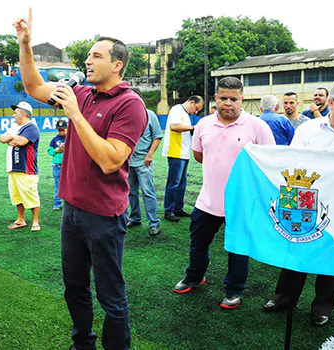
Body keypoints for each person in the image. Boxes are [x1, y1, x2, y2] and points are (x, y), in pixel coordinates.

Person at [14, 10, 147, 349]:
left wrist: (74, 113)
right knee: (74, 286)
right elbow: (32, 85)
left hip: (104, 216)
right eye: (88, 55)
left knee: (110, 296)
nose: (88, 61)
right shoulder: (83, 93)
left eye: (96, 56)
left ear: (117, 64)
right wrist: (25, 45)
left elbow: (109, 160)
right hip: (72, 211)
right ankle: (83, 342)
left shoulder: (131, 105)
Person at [173, 77, 275, 309]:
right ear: (216, 98)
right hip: (207, 200)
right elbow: (200, 155)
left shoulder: (257, 126)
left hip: (242, 202)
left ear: (242, 99)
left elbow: (269, 161)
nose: (228, 103)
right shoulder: (203, 124)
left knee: (237, 248)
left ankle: (233, 290)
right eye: (223, 98)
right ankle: (195, 277)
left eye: (233, 99)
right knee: (198, 244)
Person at [263, 81, 334, 326]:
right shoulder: (308, 130)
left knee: (332, 259)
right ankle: (284, 298)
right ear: (333, 103)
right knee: (296, 252)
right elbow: (291, 163)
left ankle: (322, 307)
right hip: (305, 204)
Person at [0, 101, 41, 232]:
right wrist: (11, 138)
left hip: (26, 168)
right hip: (13, 167)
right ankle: (20, 219)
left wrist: (10, 138)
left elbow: (21, 142)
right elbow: (1, 138)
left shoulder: (31, 127)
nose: (13, 115)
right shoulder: (15, 128)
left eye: (15, 113)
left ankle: (35, 221)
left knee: (30, 194)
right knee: (16, 195)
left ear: (23, 114)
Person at [127, 88, 163, 236]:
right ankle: (135, 218)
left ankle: (154, 222)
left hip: (144, 161)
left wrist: (149, 154)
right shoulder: (125, 115)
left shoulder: (150, 115)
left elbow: (157, 136)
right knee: (131, 192)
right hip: (127, 161)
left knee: (148, 192)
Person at [162, 96, 204, 221]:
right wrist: (193, 128)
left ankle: (177, 208)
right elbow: (174, 126)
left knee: (181, 183)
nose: (195, 112)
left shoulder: (184, 113)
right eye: (196, 108)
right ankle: (169, 210)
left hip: (183, 152)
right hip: (176, 152)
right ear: (192, 102)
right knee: (174, 182)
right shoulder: (177, 110)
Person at [47, 119, 67, 211]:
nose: (61, 132)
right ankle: (57, 202)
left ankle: (68, 202)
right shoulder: (54, 139)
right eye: (59, 130)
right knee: (57, 184)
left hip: (68, 165)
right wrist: (56, 150)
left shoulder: (70, 139)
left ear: (67, 129)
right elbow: (49, 151)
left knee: (69, 184)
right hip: (57, 165)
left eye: (63, 130)